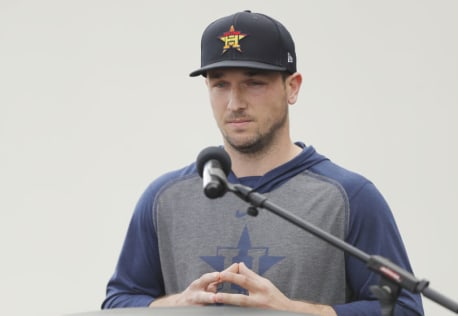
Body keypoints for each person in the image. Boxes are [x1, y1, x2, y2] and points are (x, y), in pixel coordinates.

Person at [102, 10, 424, 316]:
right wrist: (177, 304)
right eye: (220, 84)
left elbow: (405, 310)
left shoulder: (350, 197)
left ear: (292, 87)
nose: (234, 103)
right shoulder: (164, 199)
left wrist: (295, 311)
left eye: (254, 83)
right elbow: (118, 302)